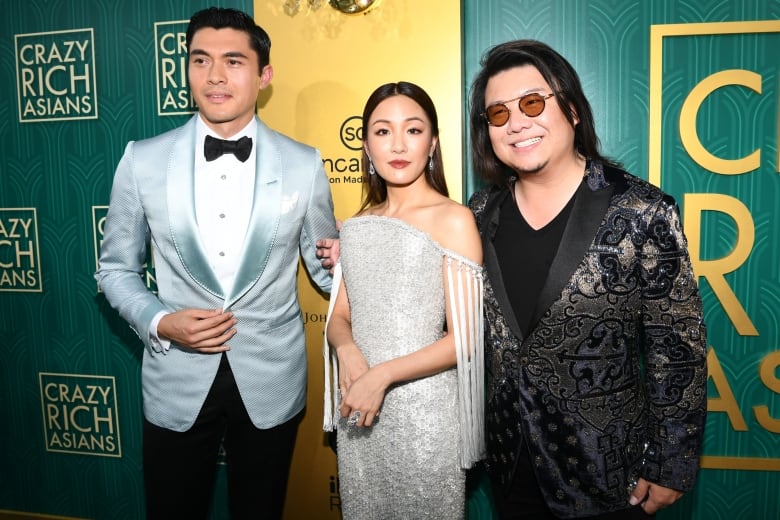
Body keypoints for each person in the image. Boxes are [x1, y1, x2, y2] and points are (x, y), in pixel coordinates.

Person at [95, 7, 337, 519]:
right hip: (175, 377)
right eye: (200, 60)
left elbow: (325, 269)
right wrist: (160, 320)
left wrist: (367, 259)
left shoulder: (304, 163)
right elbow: (115, 269)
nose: (216, 76)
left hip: (272, 377)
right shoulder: (141, 159)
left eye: (234, 61)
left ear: (263, 75)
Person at [467, 39, 707, 519]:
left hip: (607, 477)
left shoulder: (642, 211)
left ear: (572, 110)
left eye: (533, 103)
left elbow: (676, 347)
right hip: (509, 464)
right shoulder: (477, 216)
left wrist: (671, 463)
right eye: (498, 114)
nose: (516, 123)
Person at [322, 81, 485, 519]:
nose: (397, 144)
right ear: (366, 146)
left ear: (432, 143)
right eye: (382, 131)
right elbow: (338, 318)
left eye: (413, 131)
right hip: (357, 412)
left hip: (425, 418)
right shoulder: (355, 227)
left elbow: (465, 340)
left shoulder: (453, 220)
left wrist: (383, 376)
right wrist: (347, 348)